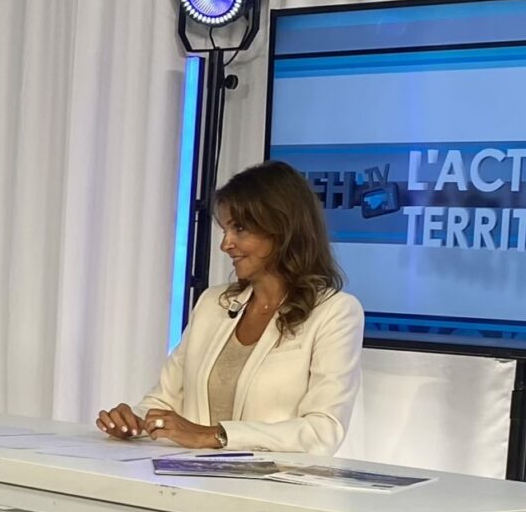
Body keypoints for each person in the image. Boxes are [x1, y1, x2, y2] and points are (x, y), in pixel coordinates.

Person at [98, 160, 363, 455]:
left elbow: (322, 431)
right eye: (226, 229)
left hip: (270, 482)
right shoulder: (213, 304)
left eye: (240, 229)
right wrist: (134, 422)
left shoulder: (335, 313)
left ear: (282, 230)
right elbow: (165, 400)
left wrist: (214, 435)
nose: (226, 244)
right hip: (188, 478)